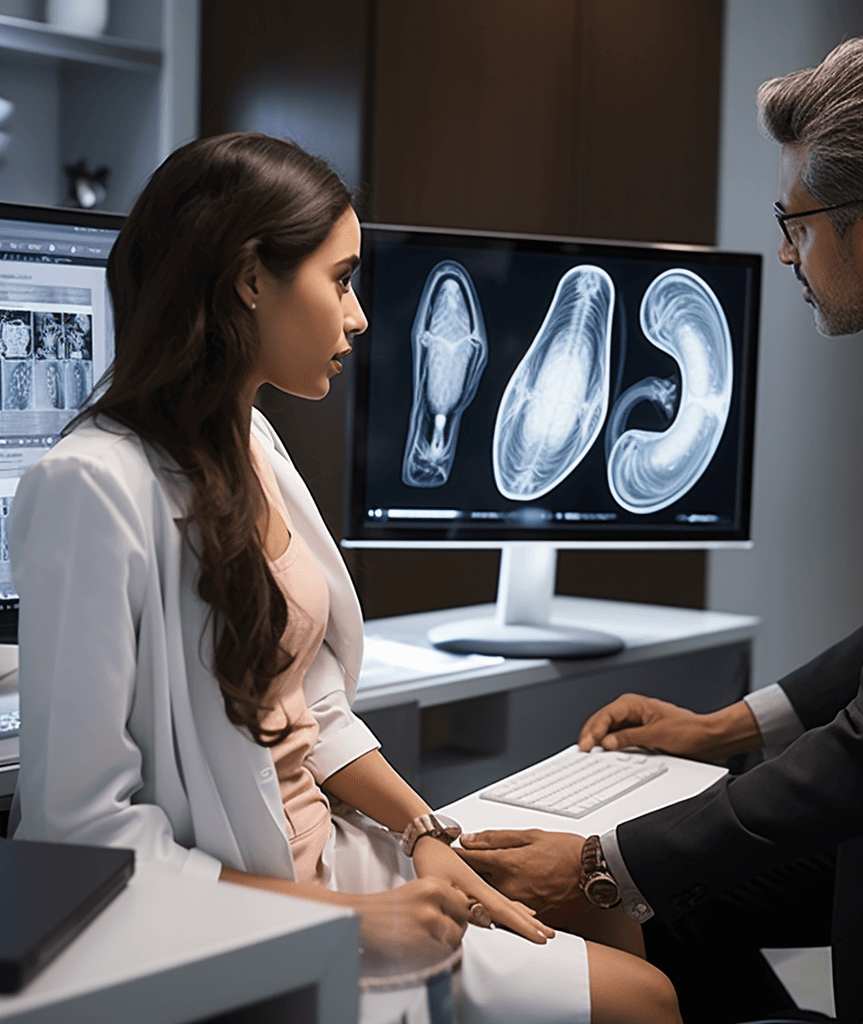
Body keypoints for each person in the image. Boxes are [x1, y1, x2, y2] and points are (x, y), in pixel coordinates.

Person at [9, 132, 681, 1024]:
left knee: (605, 900)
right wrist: (358, 924)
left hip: (334, 862)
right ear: (252, 279)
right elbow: (85, 835)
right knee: (647, 998)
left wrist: (423, 833)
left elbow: (311, 703)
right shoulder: (93, 483)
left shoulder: (250, 442)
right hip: (246, 906)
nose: (360, 316)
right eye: (342, 278)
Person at [458, 37, 863, 1024]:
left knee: (632, 895)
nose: (784, 253)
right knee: (673, 899)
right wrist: (727, 727)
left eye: (793, 223)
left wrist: (600, 862)